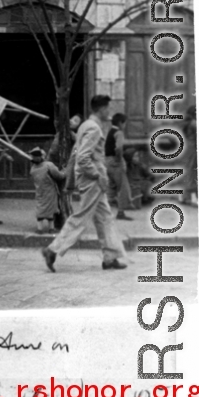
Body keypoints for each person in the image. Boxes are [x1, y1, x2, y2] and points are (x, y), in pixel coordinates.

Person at [42, 95, 127, 272]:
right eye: (108, 108)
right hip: (93, 180)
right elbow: (82, 158)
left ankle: (110, 257)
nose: (109, 112)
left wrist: (72, 181)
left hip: (92, 179)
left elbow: (76, 153)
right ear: (101, 109)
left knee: (105, 217)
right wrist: (97, 175)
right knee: (81, 217)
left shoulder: (84, 126)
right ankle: (52, 249)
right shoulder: (94, 128)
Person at [30, 146, 66, 234]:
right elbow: (59, 176)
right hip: (50, 191)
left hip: (39, 191)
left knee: (40, 209)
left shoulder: (33, 169)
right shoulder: (49, 165)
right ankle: (51, 228)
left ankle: (40, 229)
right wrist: (65, 172)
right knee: (51, 209)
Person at [105, 113, 133, 220]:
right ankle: (121, 212)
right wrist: (119, 159)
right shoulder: (119, 133)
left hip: (107, 162)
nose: (125, 126)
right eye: (125, 123)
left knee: (111, 188)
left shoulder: (110, 131)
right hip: (115, 163)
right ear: (121, 123)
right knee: (123, 187)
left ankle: (102, 212)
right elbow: (119, 148)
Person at [182, 105, 197, 205]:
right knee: (192, 172)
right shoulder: (193, 123)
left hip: (188, 147)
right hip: (192, 148)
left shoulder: (188, 122)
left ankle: (186, 197)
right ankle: (189, 196)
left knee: (189, 171)